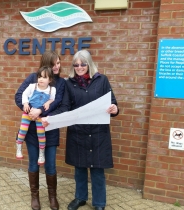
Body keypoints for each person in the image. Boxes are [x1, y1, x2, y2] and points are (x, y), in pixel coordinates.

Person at [42, 49, 119, 210]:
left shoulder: (101, 80)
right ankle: (80, 197)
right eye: (76, 64)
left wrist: (115, 109)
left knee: (97, 170)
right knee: (80, 168)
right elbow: (65, 107)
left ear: (89, 64)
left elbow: (112, 102)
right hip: (78, 132)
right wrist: (51, 118)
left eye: (83, 64)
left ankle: (99, 203)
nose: (79, 67)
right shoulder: (70, 83)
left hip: (98, 133)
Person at [15, 50, 66, 210]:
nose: (57, 66)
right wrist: (32, 111)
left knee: (50, 165)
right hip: (31, 129)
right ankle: (35, 196)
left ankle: (52, 197)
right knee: (33, 164)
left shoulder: (61, 83)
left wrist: (42, 113)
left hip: (49, 129)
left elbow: (61, 105)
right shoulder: (33, 78)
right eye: (54, 63)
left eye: (59, 63)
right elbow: (19, 96)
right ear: (46, 63)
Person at [16, 66, 56, 166]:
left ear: (50, 80)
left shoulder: (52, 90)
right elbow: (24, 94)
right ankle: (19, 145)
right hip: (28, 112)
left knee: (41, 134)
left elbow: (53, 99)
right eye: (39, 77)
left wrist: (49, 102)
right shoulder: (32, 86)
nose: (41, 79)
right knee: (23, 130)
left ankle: (41, 153)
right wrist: (25, 104)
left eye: (44, 77)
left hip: (40, 116)